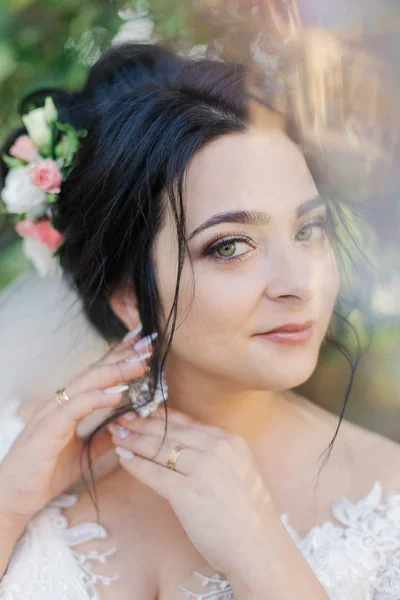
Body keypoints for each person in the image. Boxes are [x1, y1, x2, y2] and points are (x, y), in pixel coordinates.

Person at [0, 40, 399, 600]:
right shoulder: (19, 450)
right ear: (127, 297)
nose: (298, 282)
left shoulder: (391, 504)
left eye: (308, 230)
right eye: (231, 246)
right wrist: (9, 504)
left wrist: (264, 559)